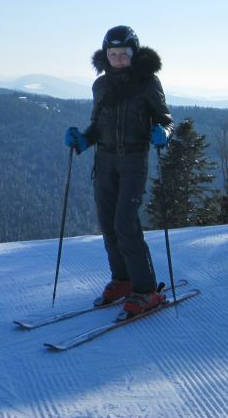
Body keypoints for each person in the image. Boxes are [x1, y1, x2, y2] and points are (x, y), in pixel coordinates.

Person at [65, 25, 173, 315]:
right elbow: (98, 126)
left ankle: (146, 289)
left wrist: (163, 131)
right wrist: (82, 140)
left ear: (133, 54)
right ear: (106, 54)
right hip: (105, 162)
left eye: (123, 54)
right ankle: (123, 280)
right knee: (109, 223)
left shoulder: (147, 82)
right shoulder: (100, 85)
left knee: (125, 223)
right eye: (113, 54)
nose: (118, 59)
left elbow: (165, 119)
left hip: (133, 161)